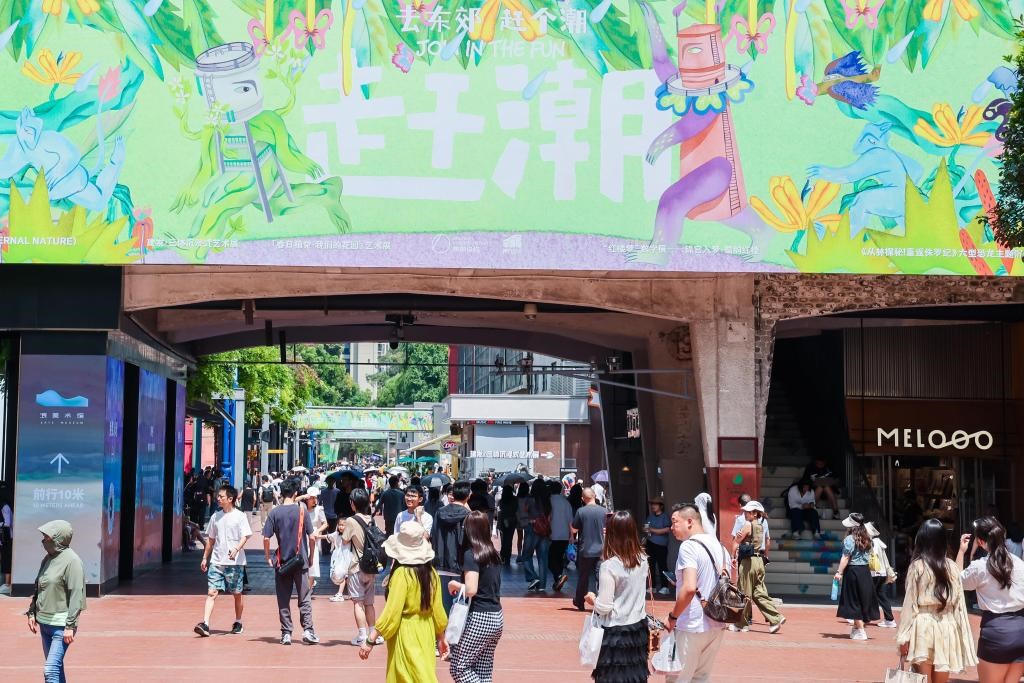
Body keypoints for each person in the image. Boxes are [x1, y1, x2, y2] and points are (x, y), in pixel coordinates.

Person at [358, 521, 448, 683]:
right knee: (424, 675)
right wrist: (441, 637)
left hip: (406, 632)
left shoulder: (402, 574)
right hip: (426, 631)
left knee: (406, 676)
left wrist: (370, 639)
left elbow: (391, 613)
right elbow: (438, 611)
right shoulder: (432, 573)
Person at [896, 518, 977, 681]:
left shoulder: (917, 566)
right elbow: (959, 596)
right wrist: (961, 552)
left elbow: (909, 604)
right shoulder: (951, 566)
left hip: (923, 624)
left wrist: (903, 637)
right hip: (947, 625)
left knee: (923, 678)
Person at [664, 503, 730, 683]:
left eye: (675, 522)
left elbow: (689, 588)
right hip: (717, 623)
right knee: (700, 678)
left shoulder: (688, 547)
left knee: (678, 678)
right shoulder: (721, 547)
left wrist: (672, 617)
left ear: (690, 521)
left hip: (691, 623)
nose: (672, 528)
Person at [584, 510, 650, 683]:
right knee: (634, 678)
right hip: (638, 628)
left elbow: (604, 606)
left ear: (612, 534)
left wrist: (592, 599)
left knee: (612, 678)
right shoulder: (643, 559)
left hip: (616, 631)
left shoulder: (609, 566)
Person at [957, 517, 1024, 683]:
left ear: (980, 542)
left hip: (995, 633)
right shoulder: (1019, 563)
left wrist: (961, 551)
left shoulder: (980, 566)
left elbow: (956, 582)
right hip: (1020, 631)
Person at [446, 511, 505, 683]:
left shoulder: (471, 554)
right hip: (496, 617)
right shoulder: (493, 553)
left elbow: (471, 589)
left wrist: (455, 585)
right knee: (482, 670)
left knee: (459, 667)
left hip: (479, 617)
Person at [26, 520, 86, 683]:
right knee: (57, 669)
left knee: (50, 670)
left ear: (59, 538)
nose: (43, 540)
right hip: (45, 624)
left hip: (61, 625)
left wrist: (70, 626)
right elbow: (39, 586)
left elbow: (76, 595)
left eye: (47, 537)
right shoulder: (48, 559)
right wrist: (32, 612)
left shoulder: (73, 561)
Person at [262, 478, 319, 646]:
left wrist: (267, 557)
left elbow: (266, 538)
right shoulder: (302, 511)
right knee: (304, 597)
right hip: (301, 561)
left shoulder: (274, 513)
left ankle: (286, 633)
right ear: (295, 493)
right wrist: (311, 556)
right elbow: (312, 537)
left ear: (281, 493)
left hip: (282, 562)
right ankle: (308, 630)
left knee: (283, 598)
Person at [195, 485, 252, 637]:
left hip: (235, 563)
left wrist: (236, 549)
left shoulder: (240, 516)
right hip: (217, 561)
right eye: (218, 496)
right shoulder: (215, 517)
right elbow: (211, 540)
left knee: (237, 593)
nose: (218, 499)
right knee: (211, 592)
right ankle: (205, 624)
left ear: (230, 499)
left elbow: (245, 535)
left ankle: (238, 621)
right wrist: (205, 557)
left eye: (221, 496)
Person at [730, 500, 785, 634]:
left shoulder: (747, 525)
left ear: (755, 513)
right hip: (759, 560)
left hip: (748, 562)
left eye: (748, 512)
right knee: (758, 592)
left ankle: (741, 624)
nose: (745, 514)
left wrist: (733, 556)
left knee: (744, 592)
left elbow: (736, 541)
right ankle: (776, 618)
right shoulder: (760, 525)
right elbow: (767, 541)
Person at [342, 488, 385, 646]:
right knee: (369, 603)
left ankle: (362, 635)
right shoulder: (371, 519)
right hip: (371, 566)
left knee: (358, 603)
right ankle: (374, 634)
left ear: (353, 504)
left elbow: (345, 540)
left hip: (357, 566)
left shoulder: (351, 521)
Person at [834, 513, 880, 640]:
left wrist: (839, 572)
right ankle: (856, 628)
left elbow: (846, 557)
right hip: (865, 571)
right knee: (862, 600)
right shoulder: (867, 538)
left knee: (853, 601)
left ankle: (860, 630)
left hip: (853, 571)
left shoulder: (850, 539)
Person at [432, 479, 471, 613]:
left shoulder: (439, 512)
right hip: (460, 564)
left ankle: (444, 626)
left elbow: (433, 536)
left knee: (443, 606)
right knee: (460, 607)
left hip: (440, 563)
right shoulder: (468, 515)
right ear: (468, 496)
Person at [572, 487, 606, 611]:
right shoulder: (604, 511)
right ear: (594, 496)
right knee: (600, 577)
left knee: (583, 576)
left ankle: (579, 601)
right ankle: (601, 603)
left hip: (585, 549)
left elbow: (574, 529)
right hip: (601, 549)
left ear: (583, 498)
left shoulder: (581, 511)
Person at [522, 478, 552, 593]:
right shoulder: (547, 501)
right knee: (543, 558)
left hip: (532, 528)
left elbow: (524, 514)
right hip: (544, 530)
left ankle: (533, 577)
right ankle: (542, 585)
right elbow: (550, 517)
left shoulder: (529, 499)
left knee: (526, 555)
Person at [866, 522, 898, 628]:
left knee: (866, 594)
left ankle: (860, 618)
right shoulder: (878, 542)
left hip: (875, 573)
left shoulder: (872, 542)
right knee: (881, 596)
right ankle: (889, 619)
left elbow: (872, 558)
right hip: (882, 573)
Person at [548, 480, 573, 592]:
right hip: (564, 535)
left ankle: (558, 576)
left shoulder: (548, 501)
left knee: (550, 560)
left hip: (552, 534)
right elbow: (570, 521)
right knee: (559, 558)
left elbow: (548, 518)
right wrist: (572, 536)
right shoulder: (565, 502)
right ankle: (558, 580)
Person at [303, 486, 329, 592]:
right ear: (307, 498)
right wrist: (302, 496)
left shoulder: (319, 509)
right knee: (303, 562)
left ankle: (309, 589)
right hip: (303, 538)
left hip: (314, 538)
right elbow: (292, 501)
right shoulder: (301, 509)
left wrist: (318, 531)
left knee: (312, 563)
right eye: (312, 498)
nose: (314, 500)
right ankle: (305, 586)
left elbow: (325, 523)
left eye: (315, 497)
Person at [646, 497, 671, 595]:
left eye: (655, 504)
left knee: (662, 566)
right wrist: (646, 531)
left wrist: (652, 530)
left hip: (661, 545)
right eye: (652, 504)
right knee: (650, 566)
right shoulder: (650, 516)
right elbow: (647, 528)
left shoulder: (665, 516)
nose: (653, 506)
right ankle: (652, 587)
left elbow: (667, 529)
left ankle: (665, 587)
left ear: (661, 506)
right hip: (650, 543)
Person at [497, 484, 518, 567]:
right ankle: (508, 556)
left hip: (503, 520)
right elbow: (516, 509)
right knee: (509, 539)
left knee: (503, 539)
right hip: (512, 520)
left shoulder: (502, 500)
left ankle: (502, 555)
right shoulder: (515, 499)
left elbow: (500, 509)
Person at [0, 484, 12, 595]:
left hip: (7, 538)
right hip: (3, 538)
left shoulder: (5, 507)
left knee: (7, 560)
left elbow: (7, 523)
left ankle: (7, 584)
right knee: (3, 560)